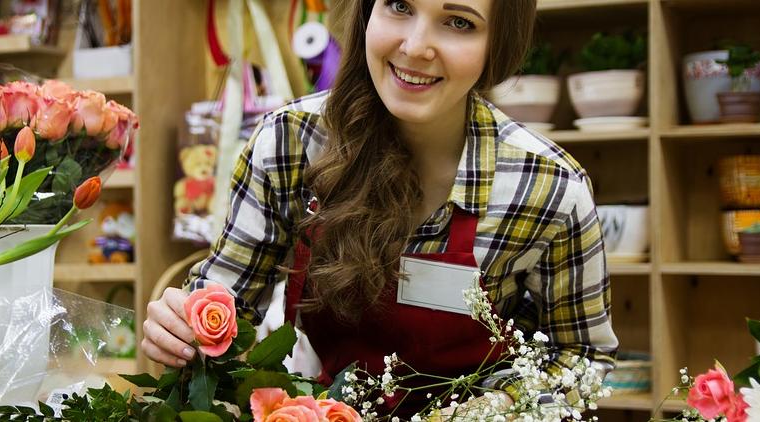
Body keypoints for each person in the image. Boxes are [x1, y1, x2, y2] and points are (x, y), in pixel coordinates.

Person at [143, 0, 619, 414]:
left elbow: (580, 359)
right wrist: (181, 328)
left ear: (499, 43)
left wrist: (493, 410)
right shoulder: (290, 144)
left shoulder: (548, 188)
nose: (415, 46)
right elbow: (227, 307)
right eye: (398, 5)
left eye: (459, 23)